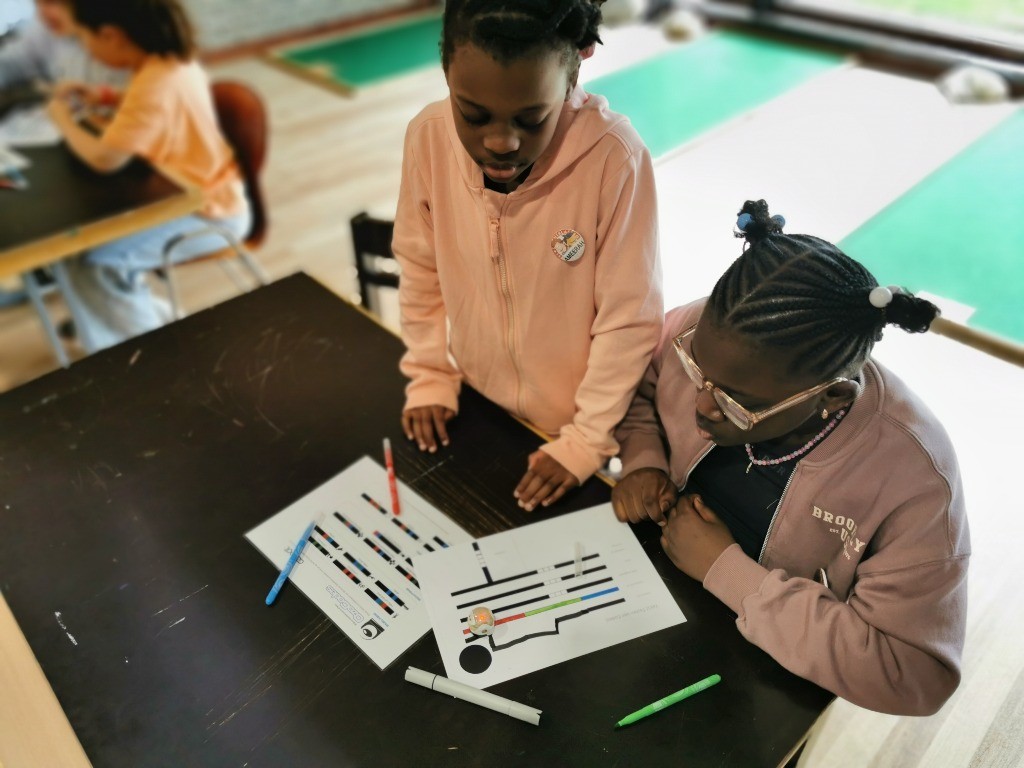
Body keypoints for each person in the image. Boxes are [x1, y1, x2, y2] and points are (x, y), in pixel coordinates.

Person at [612, 199, 969, 716]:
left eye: (737, 400)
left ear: (832, 398)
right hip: (650, 604)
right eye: (697, 371)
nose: (702, 405)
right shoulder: (707, 330)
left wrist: (727, 572)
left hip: (769, 685)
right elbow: (635, 386)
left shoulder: (915, 480)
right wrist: (643, 457)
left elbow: (913, 674)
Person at [394, 0, 663, 512]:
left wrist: (586, 439)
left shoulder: (614, 159)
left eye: (531, 118)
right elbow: (419, 266)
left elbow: (629, 318)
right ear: (445, 68)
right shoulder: (427, 137)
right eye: (472, 115)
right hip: (479, 402)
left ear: (573, 74)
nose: (500, 142)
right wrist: (429, 374)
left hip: (583, 421)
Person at [46, 0, 250, 351]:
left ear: (111, 35)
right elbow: (145, 102)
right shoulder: (169, 64)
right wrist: (106, 96)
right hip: (204, 195)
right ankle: (129, 319)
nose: (85, 47)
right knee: (80, 255)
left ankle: (156, 355)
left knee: (96, 264)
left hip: (208, 213)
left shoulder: (156, 82)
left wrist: (62, 118)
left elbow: (104, 159)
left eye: (83, 37)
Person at [0, 0, 121, 90]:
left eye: (51, 2)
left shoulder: (111, 42)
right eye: (37, 3)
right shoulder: (46, 30)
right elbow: (12, 62)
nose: (41, 15)